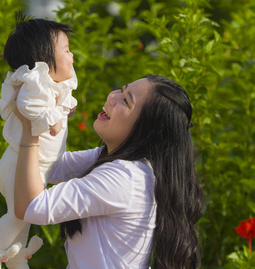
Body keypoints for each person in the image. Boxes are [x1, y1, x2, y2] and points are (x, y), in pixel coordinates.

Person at [13, 75, 205, 268]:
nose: (113, 97)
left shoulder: (125, 178)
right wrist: (55, 115)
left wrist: (30, 129)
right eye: (122, 90)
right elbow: (50, 167)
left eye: (126, 101)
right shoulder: (124, 162)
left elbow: (30, 206)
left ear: (145, 131)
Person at [0, 15, 78, 269]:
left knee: (23, 221)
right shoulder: (33, 82)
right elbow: (28, 107)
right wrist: (53, 118)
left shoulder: (49, 84)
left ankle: (17, 262)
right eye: (66, 50)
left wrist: (62, 110)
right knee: (18, 216)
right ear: (44, 61)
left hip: (30, 169)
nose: (72, 55)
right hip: (17, 168)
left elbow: (56, 105)